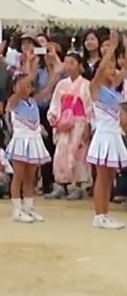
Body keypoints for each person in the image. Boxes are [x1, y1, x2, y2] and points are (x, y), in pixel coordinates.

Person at [85, 32, 127, 230]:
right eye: (109, 68)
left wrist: (123, 46)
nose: (112, 70)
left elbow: (124, 69)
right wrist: (112, 47)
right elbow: (101, 68)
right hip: (103, 137)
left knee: (110, 177)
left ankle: (105, 213)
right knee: (102, 178)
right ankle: (98, 215)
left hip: (114, 135)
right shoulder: (96, 88)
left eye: (114, 67)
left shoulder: (113, 90)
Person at [6, 54, 55, 224]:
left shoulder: (34, 101)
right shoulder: (13, 102)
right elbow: (20, 89)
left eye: (29, 86)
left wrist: (51, 67)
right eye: (22, 86)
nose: (26, 88)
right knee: (18, 175)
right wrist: (30, 67)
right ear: (15, 88)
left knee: (31, 177)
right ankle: (17, 209)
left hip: (34, 141)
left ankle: (29, 207)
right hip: (21, 141)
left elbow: (49, 87)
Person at [45, 53, 92, 199]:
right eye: (66, 63)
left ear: (80, 66)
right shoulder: (61, 84)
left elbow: (89, 107)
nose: (68, 66)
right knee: (61, 153)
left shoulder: (86, 85)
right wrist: (55, 119)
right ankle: (60, 185)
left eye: (72, 62)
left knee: (78, 154)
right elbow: (55, 104)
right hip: (63, 123)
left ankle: (77, 186)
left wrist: (87, 126)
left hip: (79, 123)